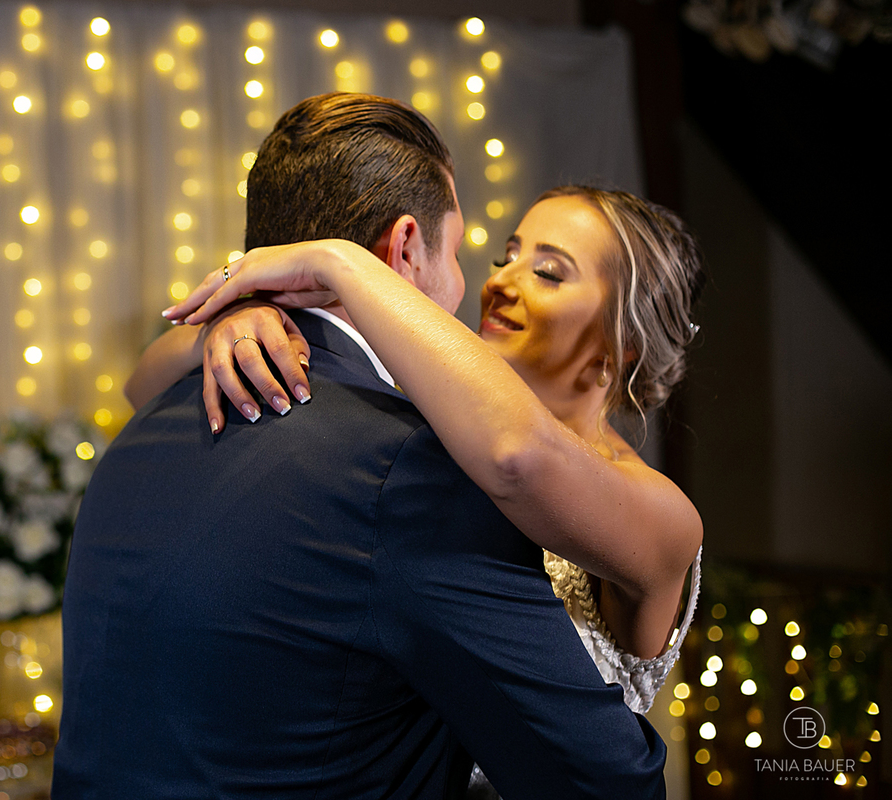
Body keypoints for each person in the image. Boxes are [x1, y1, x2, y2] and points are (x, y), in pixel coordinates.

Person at [53, 93, 667, 799]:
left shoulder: (142, 435)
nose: (487, 286)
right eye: (471, 253)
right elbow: (605, 782)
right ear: (404, 248)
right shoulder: (411, 470)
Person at [158, 186, 706, 716]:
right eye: (505, 256)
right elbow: (143, 386)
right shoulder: (426, 431)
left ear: (622, 342)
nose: (500, 282)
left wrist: (339, 265)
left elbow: (520, 456)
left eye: (547, 272)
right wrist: (234, 320)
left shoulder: (664, 520)